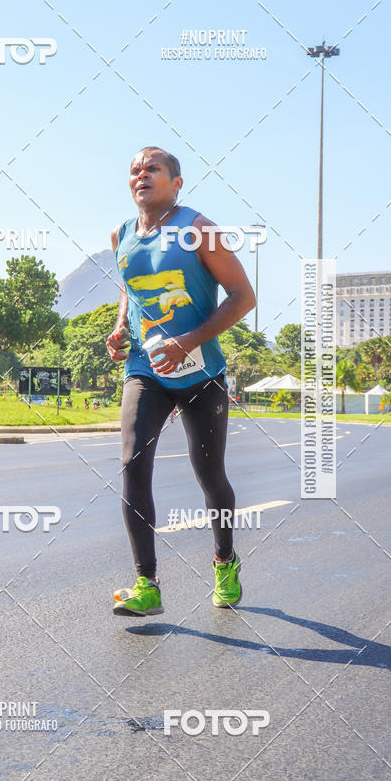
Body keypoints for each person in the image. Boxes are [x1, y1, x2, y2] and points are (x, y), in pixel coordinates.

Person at [106, 146, 256, 616]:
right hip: (145, 368)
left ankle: (225, 561)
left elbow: (242, 297)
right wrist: (119, 328)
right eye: (134, 170)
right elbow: (130, 291)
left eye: (152, 169)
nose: (141, 175)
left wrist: (189, 341)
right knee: (133, 465)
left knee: (209, 475)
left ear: (176, 182)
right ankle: (146, 584)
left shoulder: (198, 230)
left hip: (202, 373)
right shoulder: (121, 236)